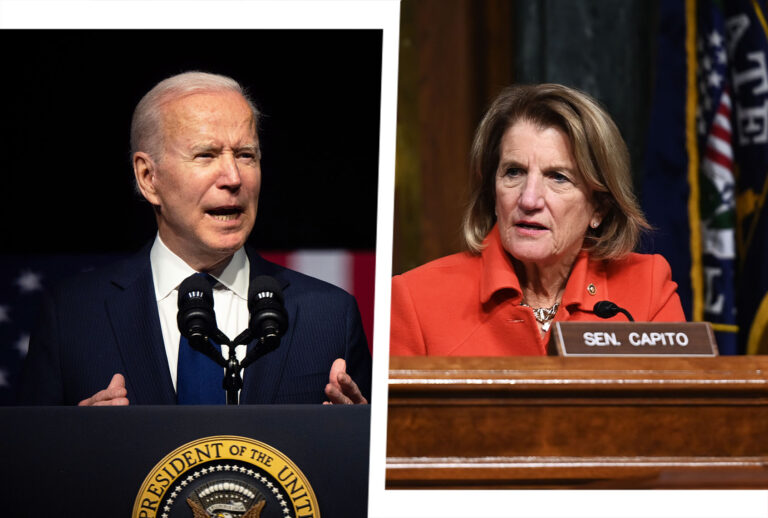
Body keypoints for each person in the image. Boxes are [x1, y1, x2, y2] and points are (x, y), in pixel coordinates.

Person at [19, 71, 371, 405]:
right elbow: (29, 462)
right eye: (206, 155)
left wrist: (357, 434)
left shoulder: (329, 316)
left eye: (246, 155)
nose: (233, 178)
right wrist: (73, 440)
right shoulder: (72, 316)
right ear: (148, 177)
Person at [390, 83, 685, 356]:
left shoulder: (646, 290)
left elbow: (679, 410)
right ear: (492, 192)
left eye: (558, 177)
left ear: (600, 208)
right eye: (514, 172)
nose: (529, 200)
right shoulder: (415, 299)